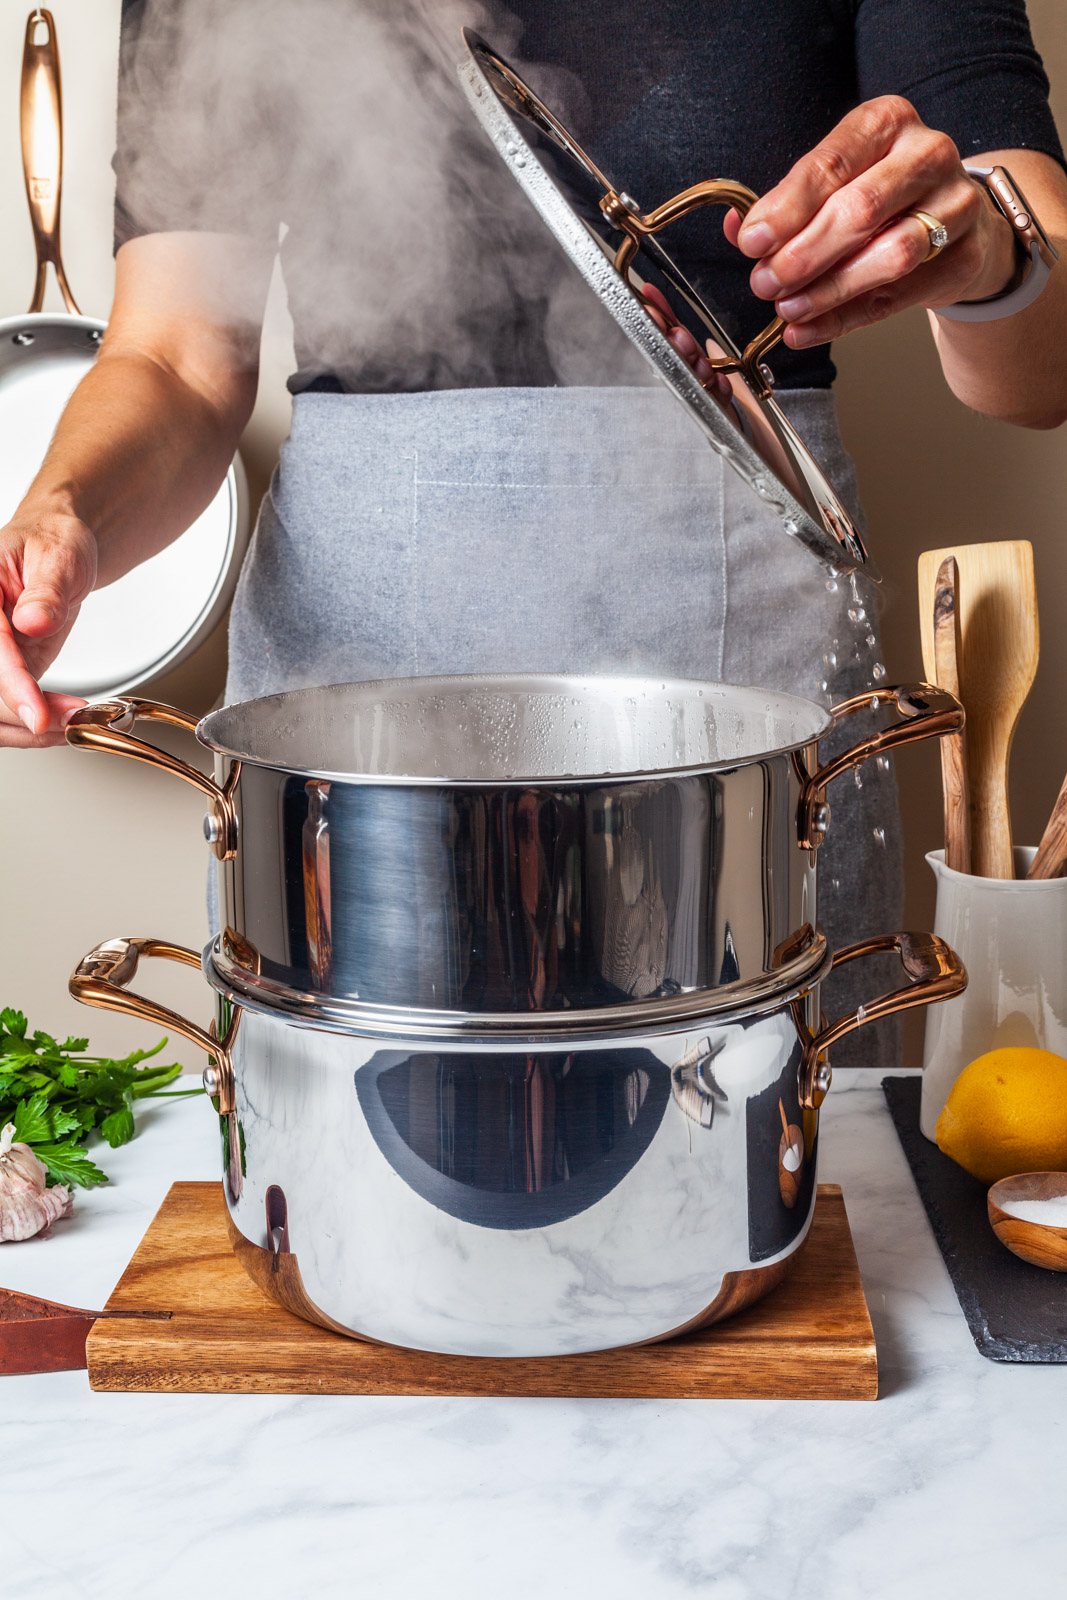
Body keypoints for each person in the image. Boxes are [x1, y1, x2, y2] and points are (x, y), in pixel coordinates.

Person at [2, 0, 1065, 1069]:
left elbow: (1040, 368)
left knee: (761, 1161)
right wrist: (62, 511)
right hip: (348, 702)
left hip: (747, 659)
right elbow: (179, 358)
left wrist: (984, 255)